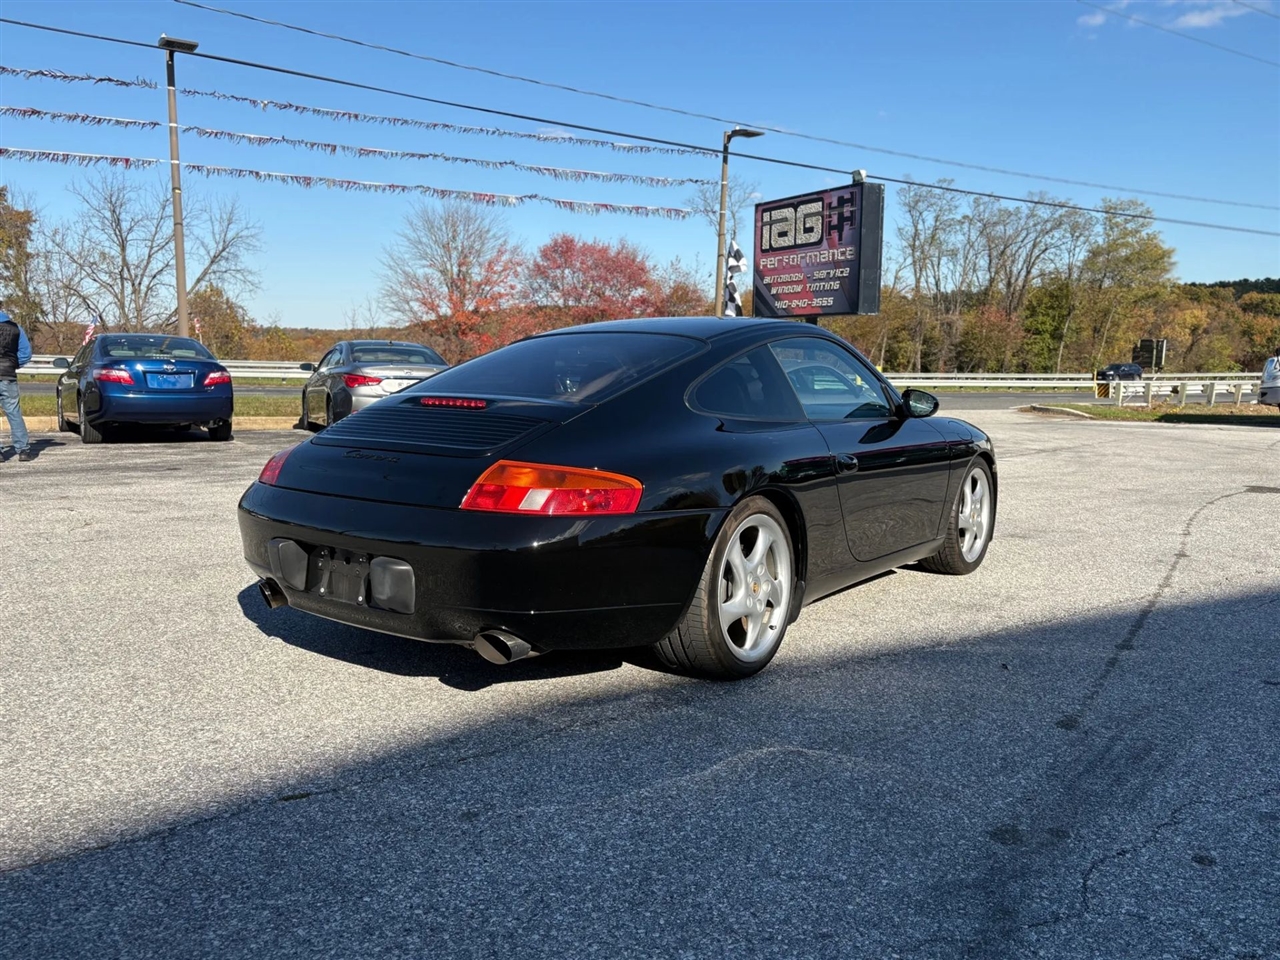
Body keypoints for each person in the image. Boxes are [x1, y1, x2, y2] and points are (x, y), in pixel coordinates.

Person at [0, 298, 34, 462]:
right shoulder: (16, 328)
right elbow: (26, 353)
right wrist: (13, 365)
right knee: (14, 413)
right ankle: (23, 450)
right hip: (8, 374)